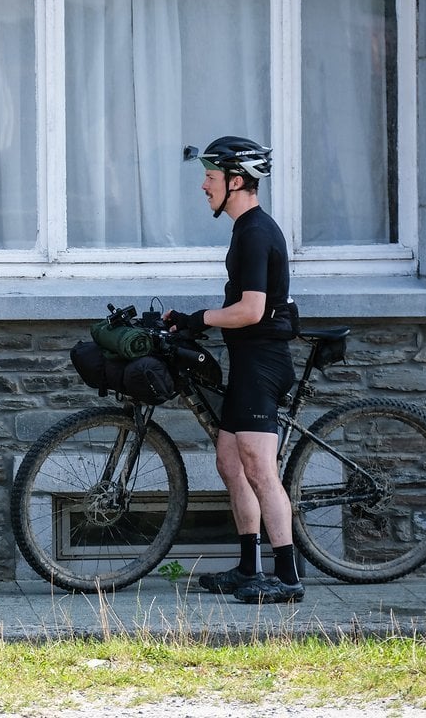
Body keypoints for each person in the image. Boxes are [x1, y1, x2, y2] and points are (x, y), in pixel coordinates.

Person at [165, 136, 303, 604]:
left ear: (236, 181)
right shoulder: (246, 229)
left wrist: (198, 318)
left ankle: (287, 577)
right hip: (248, 360)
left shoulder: (257, 232)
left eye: (210, 177)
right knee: (229, 462)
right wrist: (192, 321)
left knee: (260, 468)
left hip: (262, 363)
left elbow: (252, 310)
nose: (203, 186)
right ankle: (250, 565)